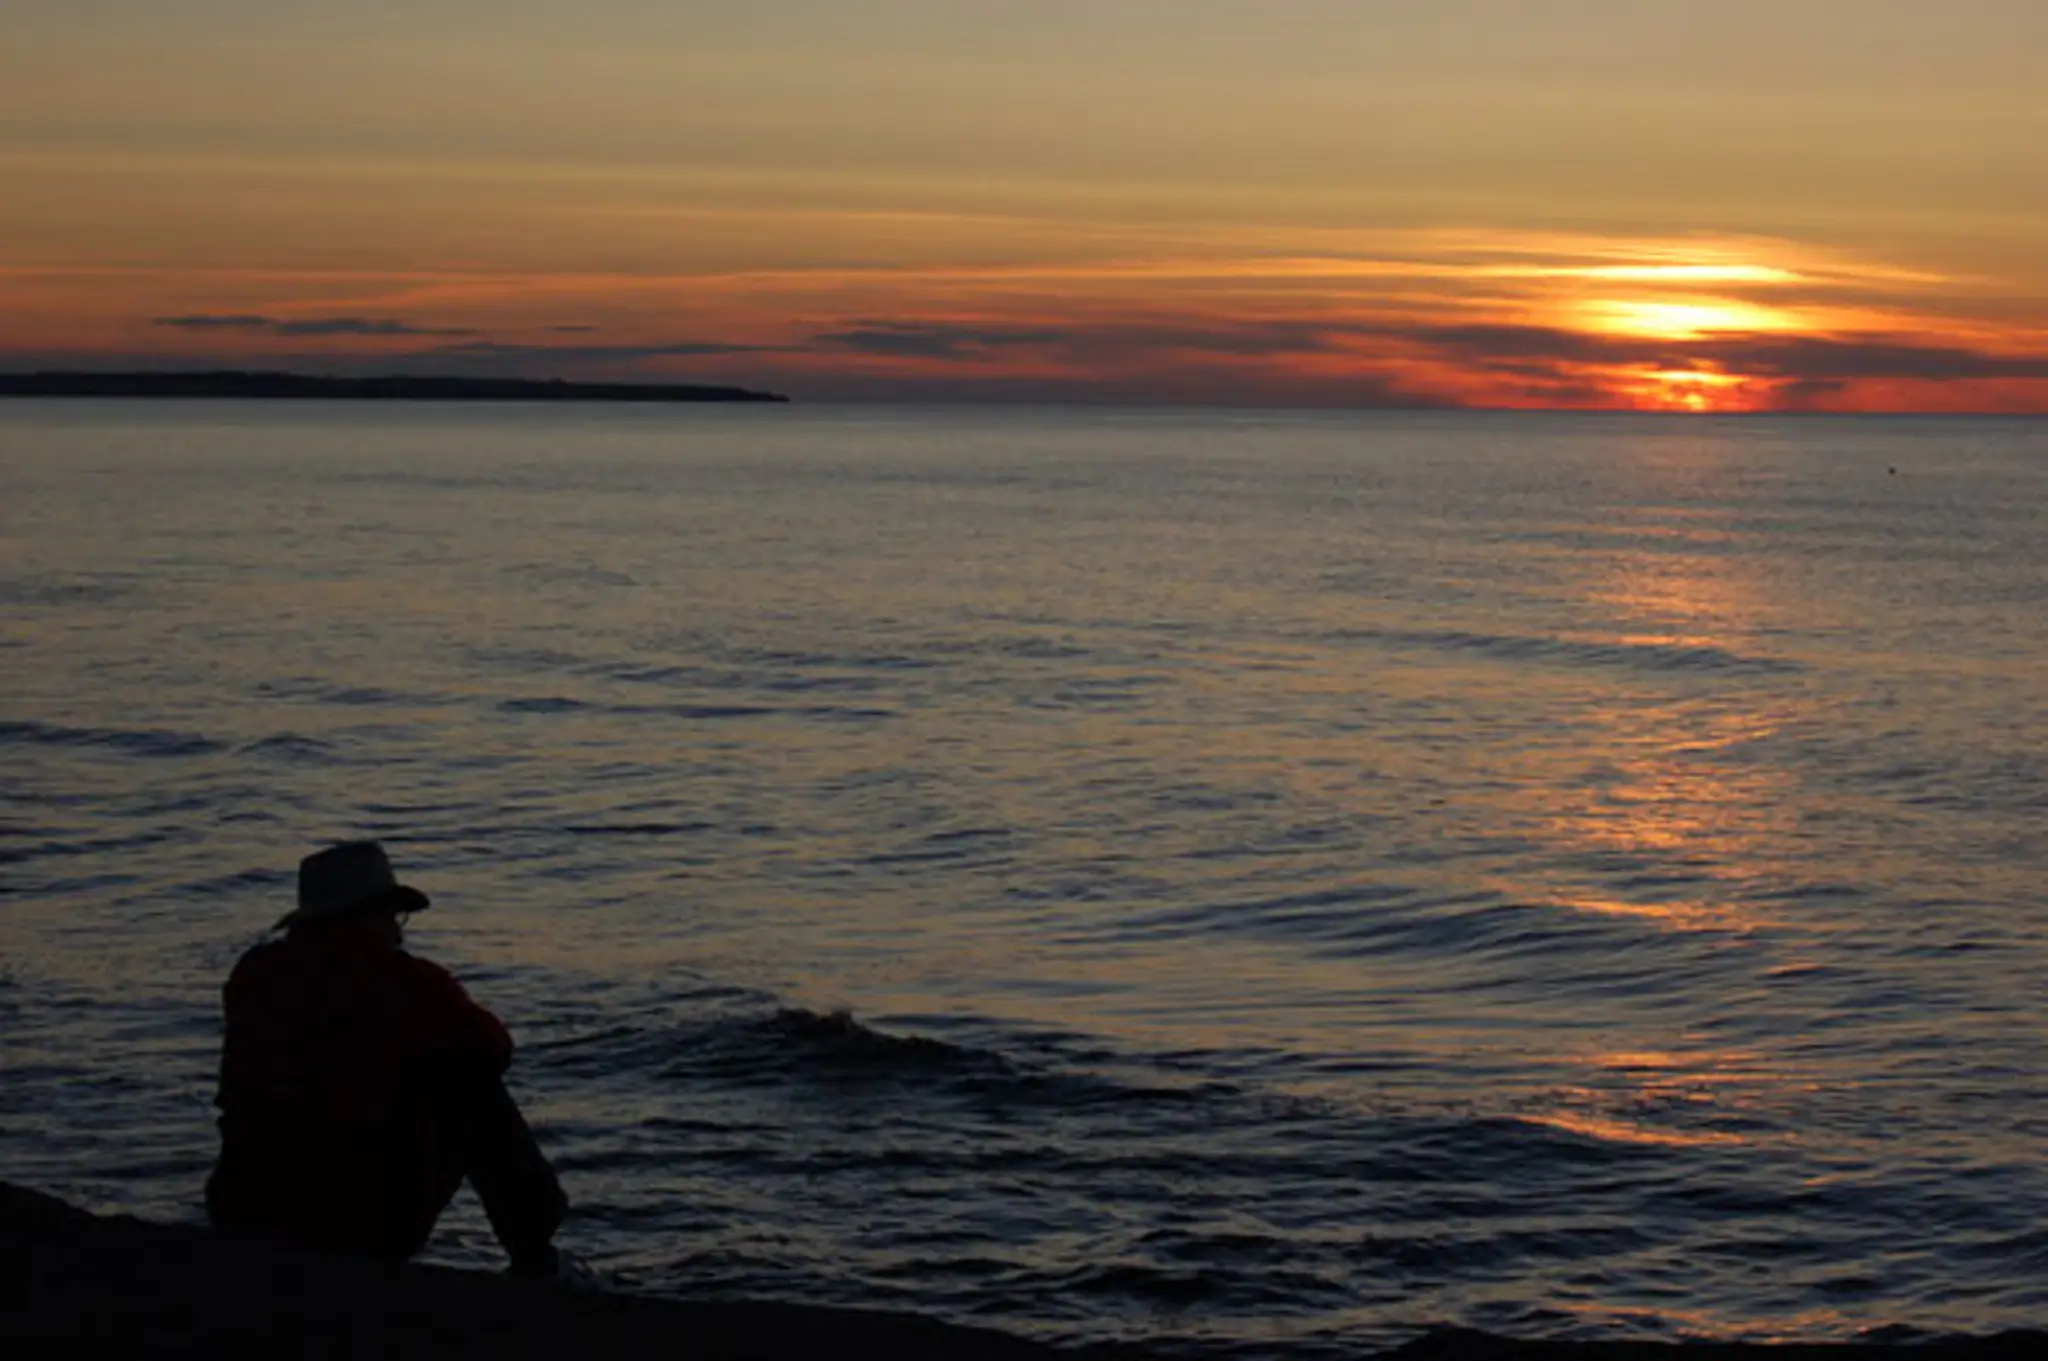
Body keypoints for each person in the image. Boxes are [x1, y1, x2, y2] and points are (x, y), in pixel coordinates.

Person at [205, 840, 568, 1275]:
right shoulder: (407, 983)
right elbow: (494, 1049)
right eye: (391, 917)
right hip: (353, 1220)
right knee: (473, 1089)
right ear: (366, 916)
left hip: (245, 1206)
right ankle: (535, 1253)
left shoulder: (255, 974)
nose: (398, 933)